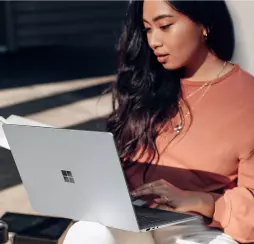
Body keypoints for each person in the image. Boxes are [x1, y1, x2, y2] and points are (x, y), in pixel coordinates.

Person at [63, 0, 254, 243]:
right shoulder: (146, 86)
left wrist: (199, 200)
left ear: (205, 24)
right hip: (134, 217)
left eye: (164, 26)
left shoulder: (248, 99)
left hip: (202, 226)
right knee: (88, 233)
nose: (153, 41)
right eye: (147, 29)